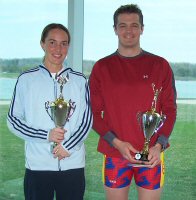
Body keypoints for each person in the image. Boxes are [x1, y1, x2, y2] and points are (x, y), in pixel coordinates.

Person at [89, 4, 176, 200]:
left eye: (134, 25)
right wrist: (117, 143)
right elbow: (92, 114)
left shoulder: (160, 65)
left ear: (142, 29)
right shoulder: (102, 67)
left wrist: (159, 145)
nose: (129, 31)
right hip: (114, 153)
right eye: (123, 25)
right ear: (115, 29)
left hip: (152, 155)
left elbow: (170, 110)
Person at [7, 23, 92, 200]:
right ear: (42, 44)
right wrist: (47, 135)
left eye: (64, 43)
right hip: (37, 166)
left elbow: (86, 121)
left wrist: (67, 146)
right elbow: (13, 120)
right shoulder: (26, 80)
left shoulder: (79, 81)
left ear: (68, 46)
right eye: (52, 42)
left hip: (72, 164)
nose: (58, 49)